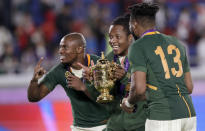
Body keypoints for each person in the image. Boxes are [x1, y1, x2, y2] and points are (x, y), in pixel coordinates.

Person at [121, 3, 196, 131]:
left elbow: (139, 89)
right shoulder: (177, 43)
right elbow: (189, 87)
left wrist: (128, 102)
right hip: (189, 114)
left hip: (163, 116)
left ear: (134, 24)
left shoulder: (138, 46)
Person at [27, 32, 110, 131]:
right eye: (60, 47)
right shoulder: (59, 70)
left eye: (65, 47)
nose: (60, 51)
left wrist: (83, 87)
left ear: (79, 49)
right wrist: (34, 80)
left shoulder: (99, 64)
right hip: (79, 128)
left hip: (106, 126)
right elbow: (34, 97)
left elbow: (107, 101)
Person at [104, 14, 146, 131]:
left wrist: (124, 77)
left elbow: (145, 91)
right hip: (115, 125)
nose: (112, 41)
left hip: (139, 124)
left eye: (117, 37)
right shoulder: (107, 60)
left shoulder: (144, 57)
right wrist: (90, 81)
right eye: (110, 37)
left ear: (130, 38)